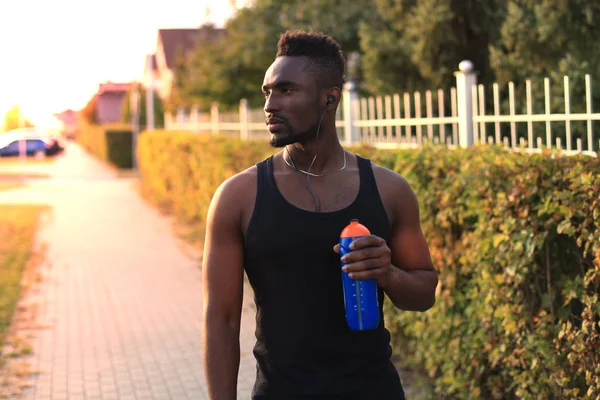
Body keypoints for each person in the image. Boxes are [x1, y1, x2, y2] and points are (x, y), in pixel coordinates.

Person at [201, 30, 438, 400]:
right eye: (268, 92)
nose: (270, 105)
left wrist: (388, 273)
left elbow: (423, 295)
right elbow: (222, 321)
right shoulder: (238, 197)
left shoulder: (390, 190)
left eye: (287, 90)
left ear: (330, 97)